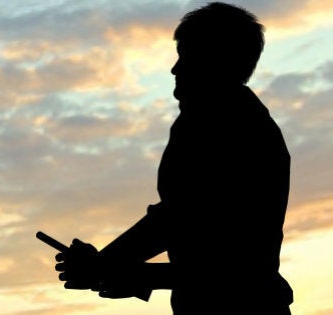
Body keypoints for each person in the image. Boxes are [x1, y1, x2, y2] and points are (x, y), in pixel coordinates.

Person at [53, 2, 294, 314]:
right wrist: (108, 265)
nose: (174, 69)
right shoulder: (211, 122)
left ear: (215, 61)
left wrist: (110, 267)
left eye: (186, 57)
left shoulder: (235, 128)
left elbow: (228, 261)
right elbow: (178, 221)